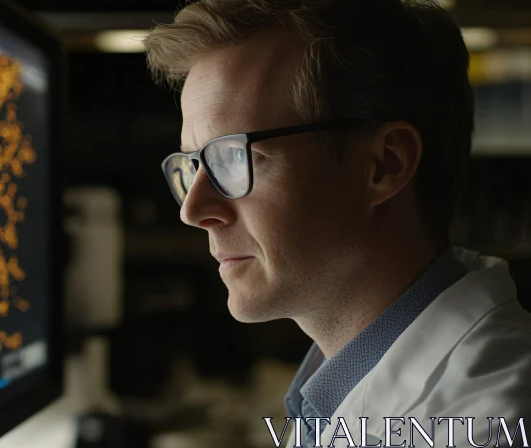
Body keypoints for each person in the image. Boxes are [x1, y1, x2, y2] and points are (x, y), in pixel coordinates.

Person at [143, 0, 531, 446]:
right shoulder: (337, 389)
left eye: (234, 157)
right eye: (193, 165)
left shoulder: (489, 424)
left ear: (385, 164)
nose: (192, 210)